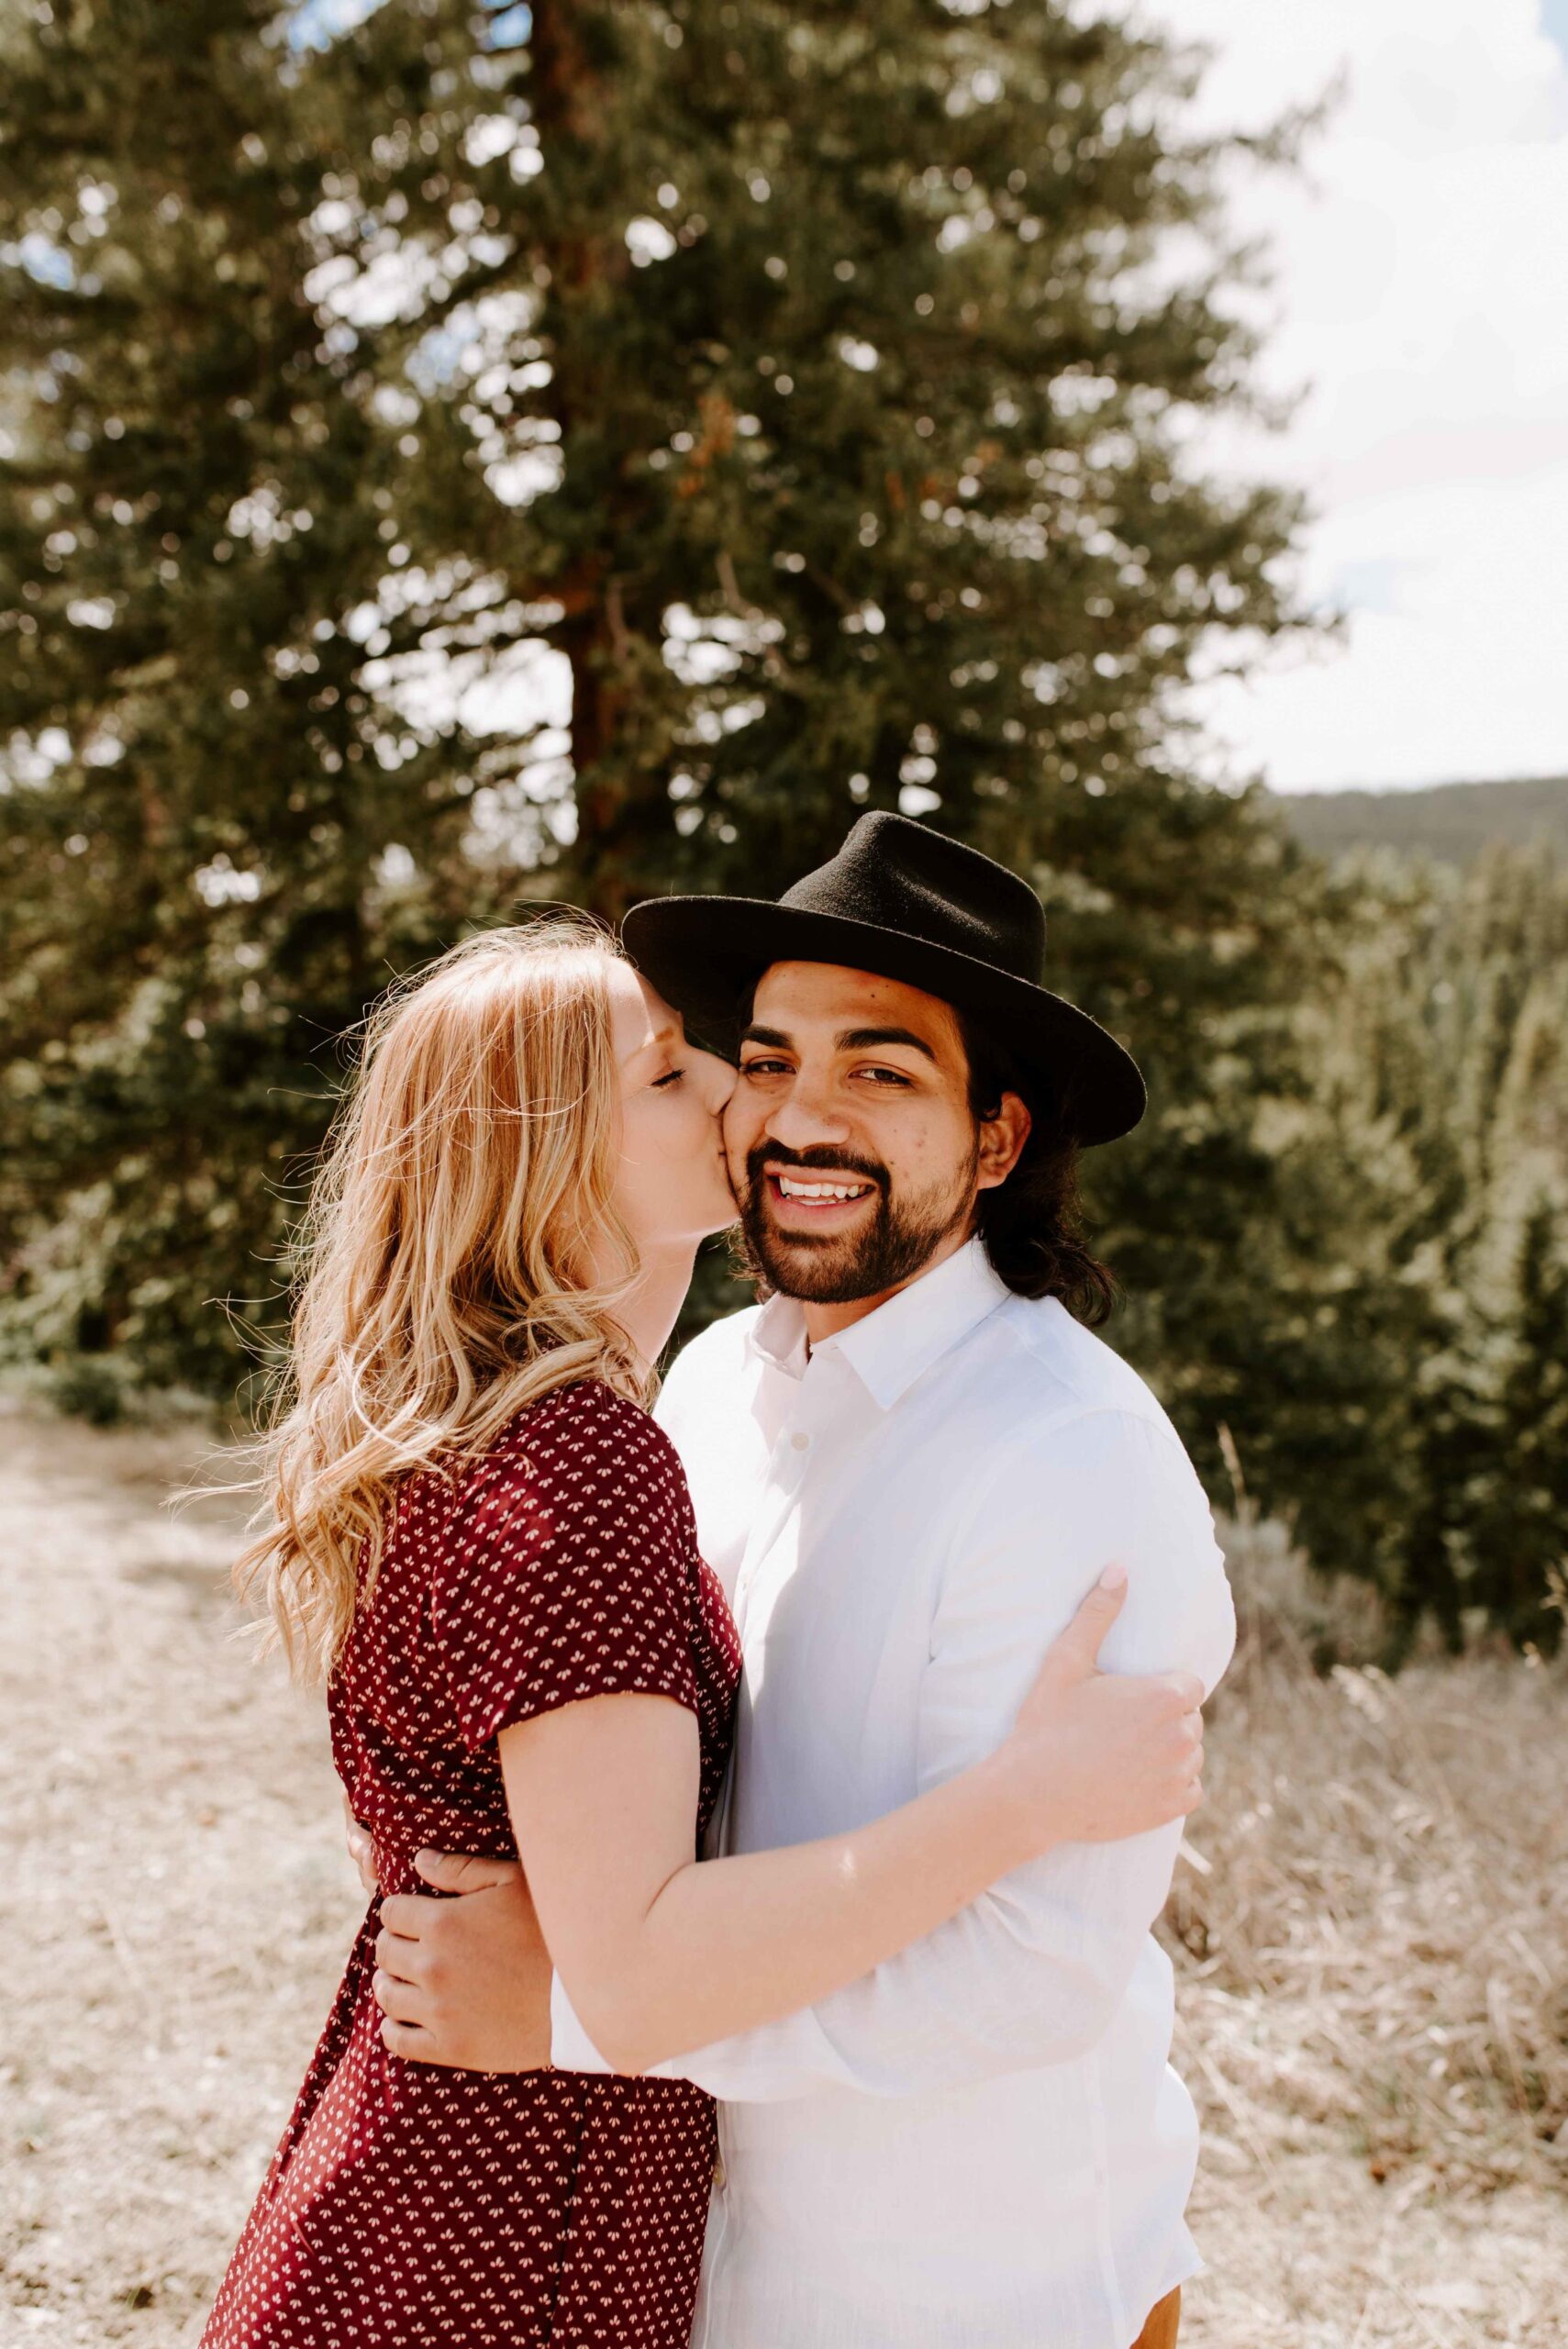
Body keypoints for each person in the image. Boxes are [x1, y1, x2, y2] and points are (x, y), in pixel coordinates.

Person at [206, 908, 1207, 2349]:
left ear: (995, 1140)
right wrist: (587, 2002)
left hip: (962, 2288)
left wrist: (570, 2009)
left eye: (880, 1073)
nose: (777, 1113)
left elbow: (1033, 1971)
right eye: (739, 1062)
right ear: (536, 1145)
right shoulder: (679, 1409)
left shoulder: (1066, 1452)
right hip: (558, 2223)